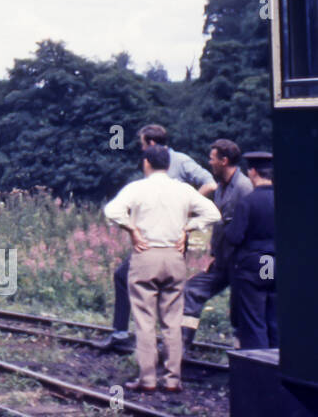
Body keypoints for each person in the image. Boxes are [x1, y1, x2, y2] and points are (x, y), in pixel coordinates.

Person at [103, 144, 221, 392]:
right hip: (174, 256)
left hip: (145, 254)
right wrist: (187, 228)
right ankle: (172, 378)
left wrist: (132, 229)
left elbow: (111, 210)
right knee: (172, 319)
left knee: (145, 320)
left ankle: (147, 378)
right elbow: (213, 214)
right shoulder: (182, 190)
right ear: (168, 165)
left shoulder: (136, 188)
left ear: (146, 163)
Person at [95, 124, 214, 352]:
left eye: (142, 144)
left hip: (163, 238)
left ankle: (138, 341)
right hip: (161, 236)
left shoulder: (177, 161)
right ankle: (166, 351)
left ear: (150, 144)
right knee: (159, 286)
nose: (141, 150)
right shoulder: (170, 162)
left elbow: (210, 182)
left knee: (137, 281)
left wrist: (188, 210)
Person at [181, 138, 253, 350]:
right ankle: (183, 345)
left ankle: (244, 357)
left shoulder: (244, 187)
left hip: (240, 262)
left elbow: (247, 227)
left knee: (240, 310)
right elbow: (220, 226)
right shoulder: (221, 187)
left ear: (224, 160)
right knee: (192, 290)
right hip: (222, 262)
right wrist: (214, 256)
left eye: (212, 159)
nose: (209, 163)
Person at [226, 151, 277, 349]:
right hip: (275, 263)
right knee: (274, 319)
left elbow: (234, 237)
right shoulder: (283, 200)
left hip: (256, 264)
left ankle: (260, 367)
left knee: (254, 320)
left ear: (253, 172)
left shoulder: (247, 202)